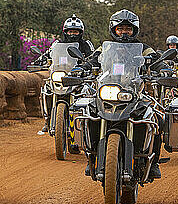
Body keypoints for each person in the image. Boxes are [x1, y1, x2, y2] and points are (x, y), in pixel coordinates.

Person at [84, 9, 163, 179]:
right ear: (114, 29)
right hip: (108, 90)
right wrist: (81, 68)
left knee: (157, 118)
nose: (124, 32)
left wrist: (164, 69)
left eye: (128, 29)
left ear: (134, 29)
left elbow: (156, 61)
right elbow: (92, 59)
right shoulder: (104, 48)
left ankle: (154, 162)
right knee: (88, 113)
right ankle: (91, 154)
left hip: (136, 92)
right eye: (121, 29)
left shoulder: (144, 48)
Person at [39, 15, 94, 134]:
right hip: (60, 75)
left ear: (81, 32)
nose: (73, 34)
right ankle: (47, 120)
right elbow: (48, 54)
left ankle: (84, 128)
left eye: (75, 31)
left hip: (78, 77)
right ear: (65, 32)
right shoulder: (57, 44)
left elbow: (92, 58)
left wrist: (88, 65)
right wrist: (40, 60)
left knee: (86, 92)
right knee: (46, 89)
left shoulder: (86, 45)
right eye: (70, 31)